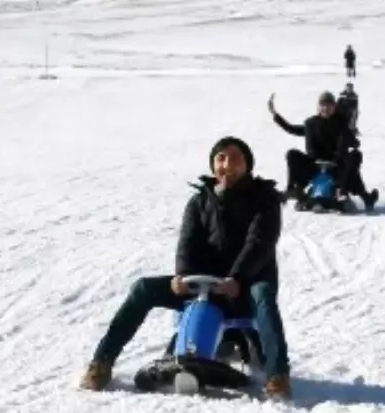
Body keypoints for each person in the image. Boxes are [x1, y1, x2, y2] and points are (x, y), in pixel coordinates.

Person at [80, 137, 293, 399]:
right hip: (203, 284)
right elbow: (187, 242)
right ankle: (101, 363)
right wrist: (182, 275)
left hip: (245, 286)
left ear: (247, 165)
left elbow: (259, 243)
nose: (227, 164)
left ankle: (277, 375)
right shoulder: (199, 202)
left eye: (235, 158)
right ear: (213, 164)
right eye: (221, 158)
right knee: (143, 288)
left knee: (263, 295)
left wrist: (237, 278)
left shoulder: (264, 200)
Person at [269, 91, 380, 210]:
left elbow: (352, 141)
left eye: (329, 105)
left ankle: (345, 191)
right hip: (314, 165)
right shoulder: (311, 123)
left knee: (354, 156)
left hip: (337, 167)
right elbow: (291, 128)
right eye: (323, 105)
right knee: (292, 154)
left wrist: (352, 139)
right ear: (319, 106)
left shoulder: (341, 122)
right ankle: (293, 189)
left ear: (334, 106)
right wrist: (275, 115)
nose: (326, 108)